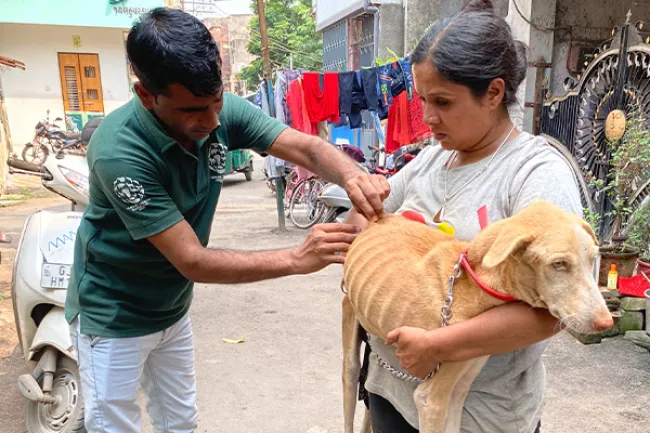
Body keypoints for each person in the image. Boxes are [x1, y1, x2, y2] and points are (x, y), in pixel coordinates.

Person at [65, 8, 389, 433]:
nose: (213, 121)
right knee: (115, 427)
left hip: (171, 310)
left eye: (217, 101)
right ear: (147, 96)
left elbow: (306, 149)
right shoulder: (120, 152)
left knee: (180, 422)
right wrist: (295, 257)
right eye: (194, 110)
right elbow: (192, 261)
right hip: (113, 316)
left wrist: (352, 176)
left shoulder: (215, 109)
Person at [345, 1, 583, 432]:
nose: (428, 118)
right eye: (422, 101)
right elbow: (364, 223)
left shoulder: (535, 174)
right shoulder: (434, 160)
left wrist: (437, 344)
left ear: (493, 93)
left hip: (479, 414)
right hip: (391, 390)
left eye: (443, 102)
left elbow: (552, 310)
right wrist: (367, 222)